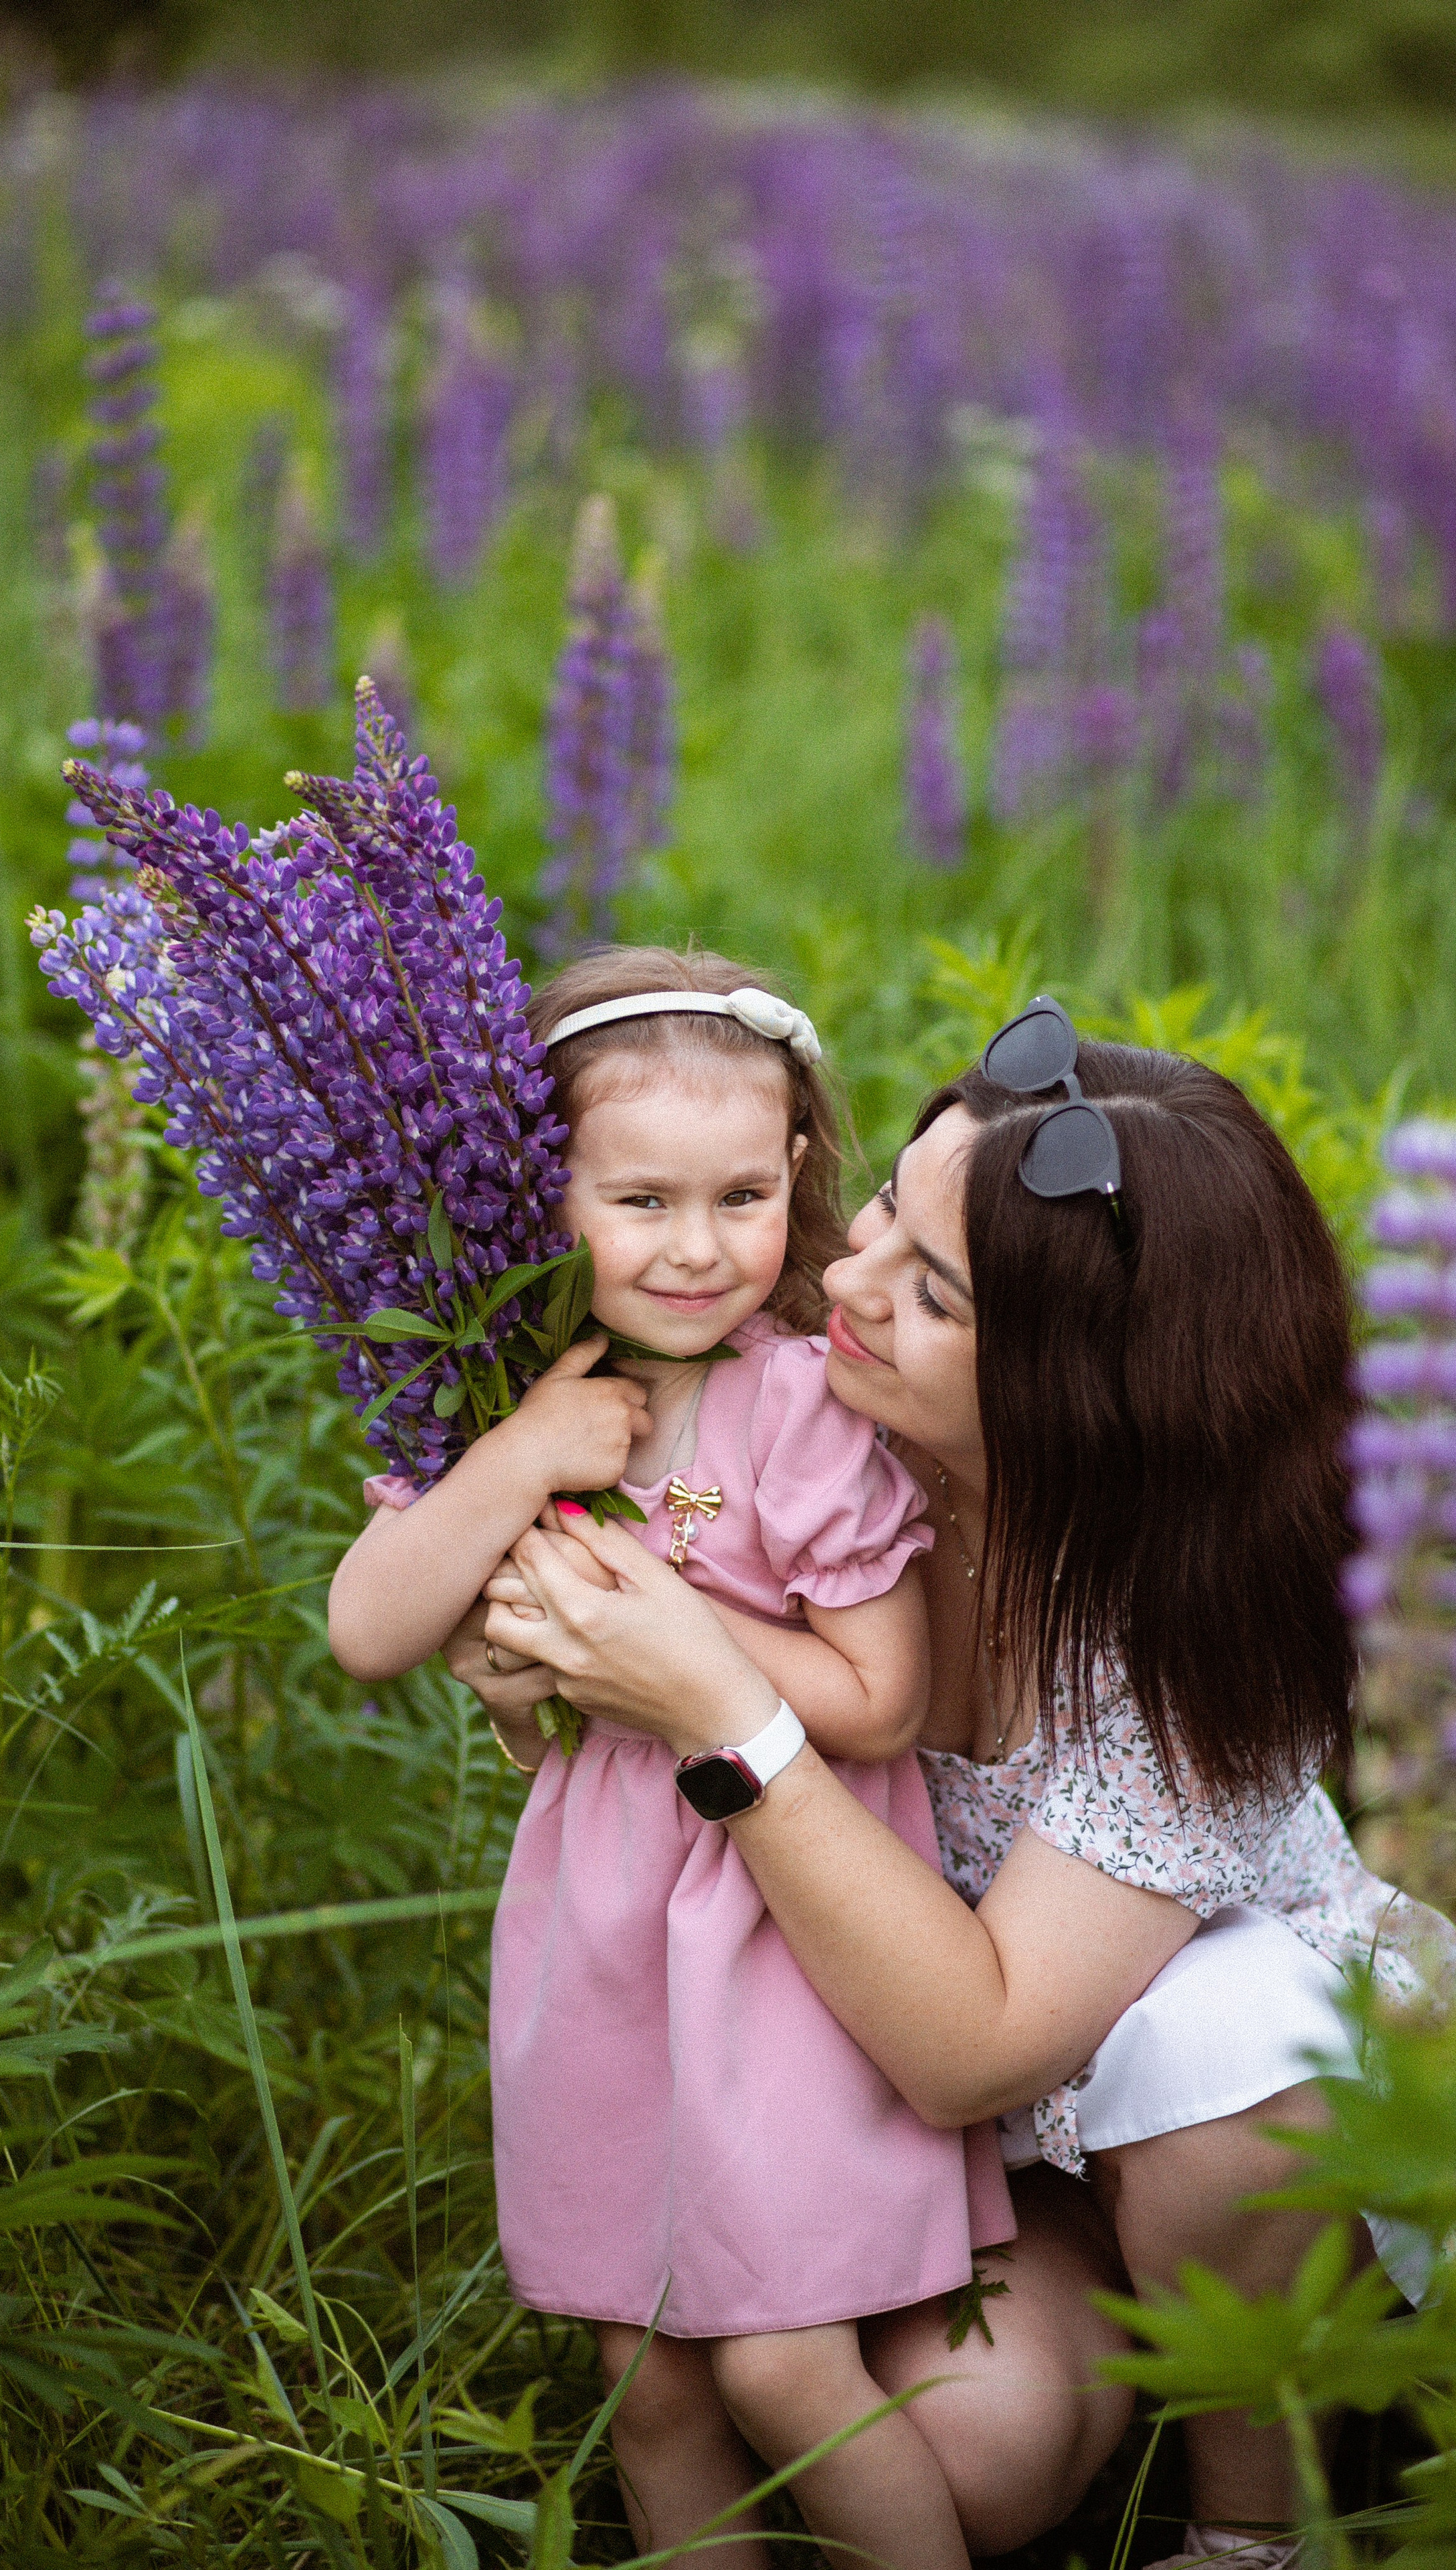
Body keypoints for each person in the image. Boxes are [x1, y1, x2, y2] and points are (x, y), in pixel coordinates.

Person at [460, 998, 1456, 2570]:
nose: (844, 1279)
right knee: (961, 2457)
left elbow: (975, 2046)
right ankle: (1101, 2366)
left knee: (1226, 2043)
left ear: (1079, 1386)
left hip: (1195, 2109)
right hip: (957, 2120)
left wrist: (717, 1705)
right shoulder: (823, 1441)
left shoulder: (1191, 1644)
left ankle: (1252, 2519)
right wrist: (544, 1681)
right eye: (879, 1210)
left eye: (928, 1292)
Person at [328, 947, 1014, 2570]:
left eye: (739, 1198)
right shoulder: (503, 1391)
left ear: (797, 1173)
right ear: (533, 1196)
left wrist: (659, 1640)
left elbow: (882, 1697)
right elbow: (366, 1628)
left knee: (783, 2365)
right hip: (607, 1939)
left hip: (785, 1929)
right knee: (645, 2383)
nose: (696, 1249)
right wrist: (518, 1457)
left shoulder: (800, 1406)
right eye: (638, 1202)